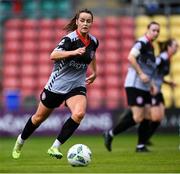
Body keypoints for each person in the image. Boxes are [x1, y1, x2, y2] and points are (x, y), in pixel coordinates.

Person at [12, 8, 99, 159]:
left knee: (79, 114)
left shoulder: (94, 41)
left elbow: (92, 55)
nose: (85, 23)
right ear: (77, 22)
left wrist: (95, 72)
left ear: (92, 23)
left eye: (88, 21)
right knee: (38, 118)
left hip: (77, 85)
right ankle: (20, 141)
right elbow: (53, 55)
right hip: (57, 86)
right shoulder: (69, 39)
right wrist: (72, 52)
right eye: (83, 20)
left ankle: (54, 147)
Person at [103, 21, 160, 152]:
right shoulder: (142, 42)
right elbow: (131, 57)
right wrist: (140, 73)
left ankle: (140, 146)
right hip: (135, 85)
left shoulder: (151, 47)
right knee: (138, 117)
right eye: (153, 30)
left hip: (145, 87)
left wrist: (151, 85)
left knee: (147, 116)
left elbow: (149, 71)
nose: (156, 33)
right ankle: (110, 134)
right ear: (147, 30)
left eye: (158, 31)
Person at [137, 38, 179, 146]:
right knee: (155, 117)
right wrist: (151, 85)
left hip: (158, 91)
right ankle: (143, 139)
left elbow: (159, 76)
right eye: (175, 46)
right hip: (153, 91)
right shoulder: (161, 58)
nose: (177, 48)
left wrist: (168, 83)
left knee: (158, 118)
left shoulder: (168, 59)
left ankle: (144, 139)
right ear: (169, 47)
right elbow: (150, 71)